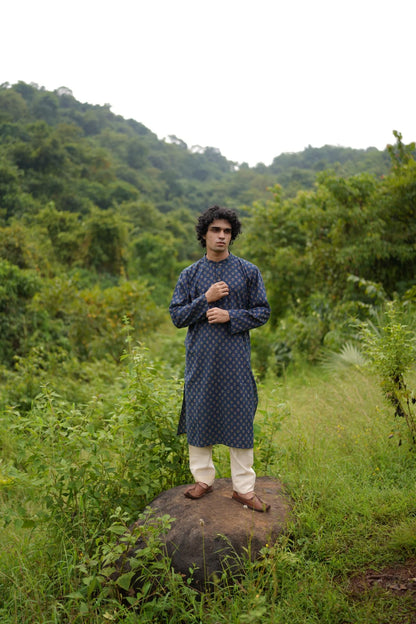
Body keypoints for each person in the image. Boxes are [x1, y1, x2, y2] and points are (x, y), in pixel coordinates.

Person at [169, 205, 271, 512]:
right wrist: (205, 300)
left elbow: (262, 311)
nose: (222, 236)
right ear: (204, 234)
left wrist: (230, 315)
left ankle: (243, 489)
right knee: (200, 414)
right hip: (201, 361)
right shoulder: (191, 275)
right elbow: (176, 316)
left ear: (233, 235)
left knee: (240, 419)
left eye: (227, 231)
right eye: (216, 230)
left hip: (236, 360)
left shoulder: (247, 271)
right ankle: (204, 480)